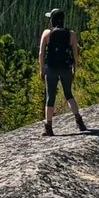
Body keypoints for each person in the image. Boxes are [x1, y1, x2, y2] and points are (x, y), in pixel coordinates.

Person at [39, 8, 87, 136]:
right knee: (68, 94)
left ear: (53, 20)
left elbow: (41, 53)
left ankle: (48, 127)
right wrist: (74, 68)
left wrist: (42, 69)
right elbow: (75, 54)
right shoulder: (71, 34)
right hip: (66, 67)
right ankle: (79, 120)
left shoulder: (46, 33)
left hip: (51, 68)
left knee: (50, 97)